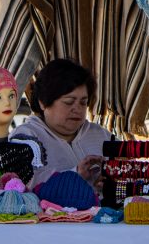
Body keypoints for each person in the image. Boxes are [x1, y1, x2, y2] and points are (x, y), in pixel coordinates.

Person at [11, 59, 110, 187]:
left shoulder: (100, 135)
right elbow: (18, 184)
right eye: (69, 102)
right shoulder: (25, 138)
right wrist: (74, 175)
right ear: (43, 102)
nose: (77, 109)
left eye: (83, 102)